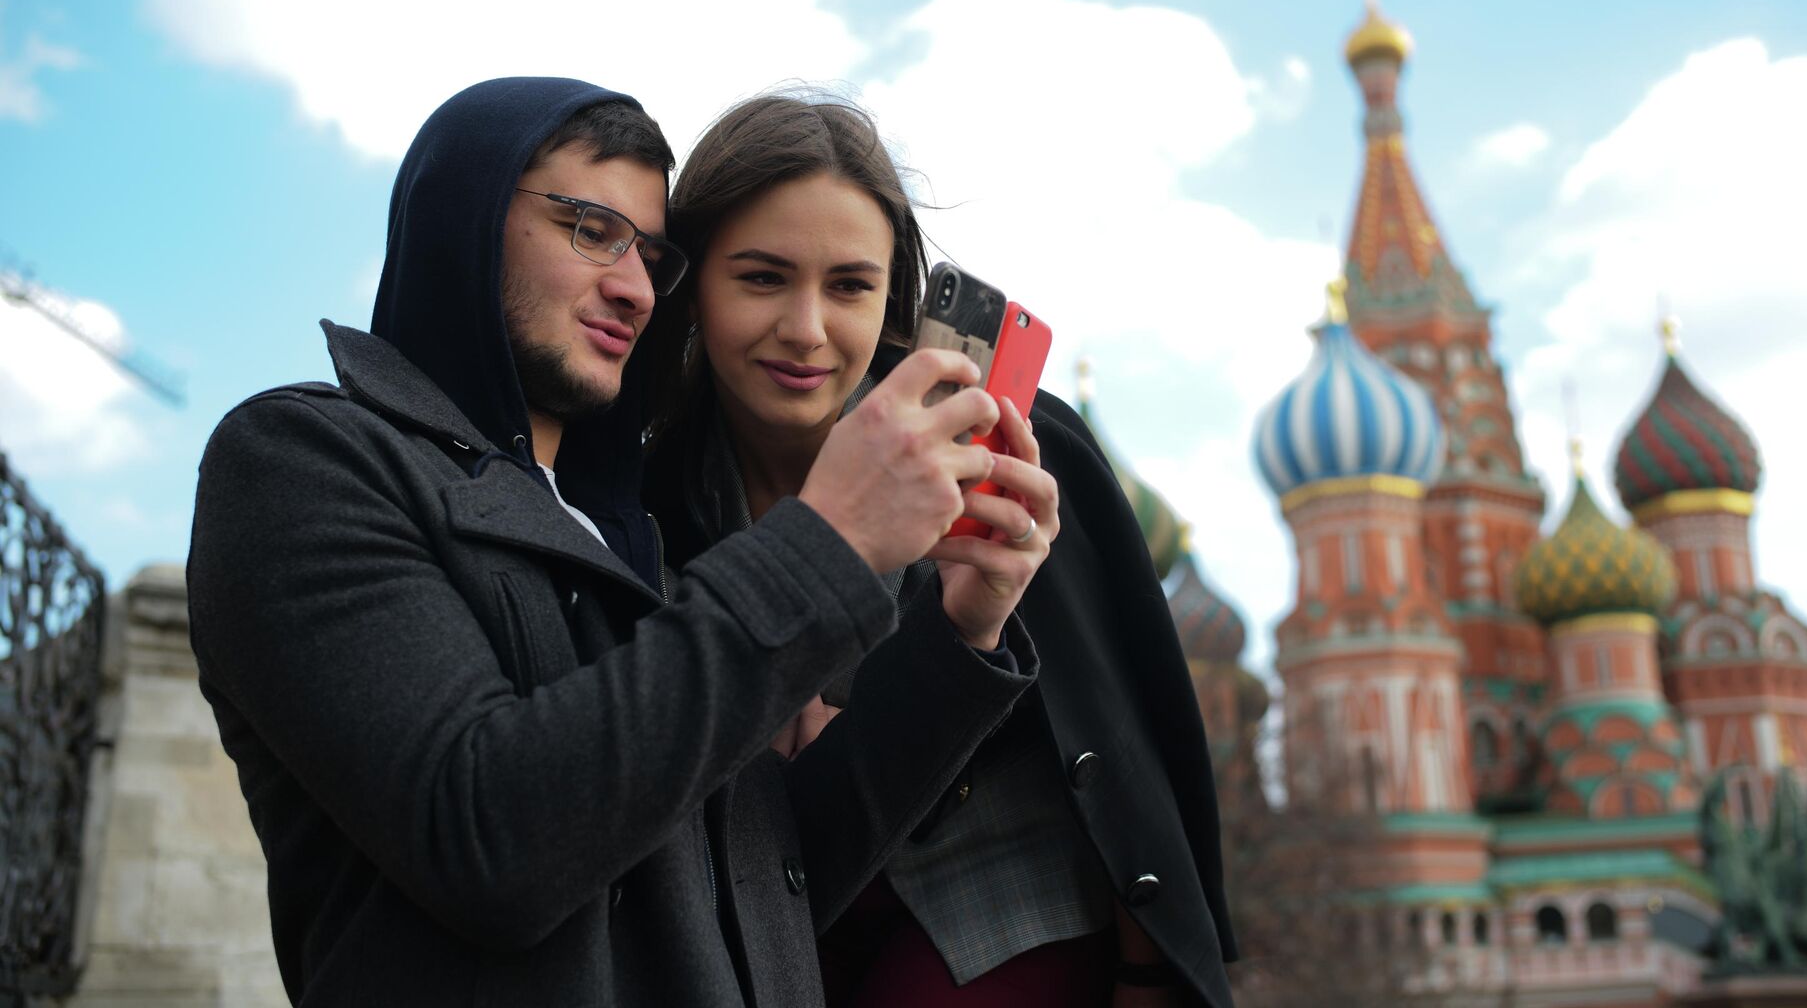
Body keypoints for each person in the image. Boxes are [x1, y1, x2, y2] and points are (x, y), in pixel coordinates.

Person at [186, 77, 1040, 1007]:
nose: (634, 287)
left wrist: (961, 634)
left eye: (654, 256)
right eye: (591, 229)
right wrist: (824, 540)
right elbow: (489, 843)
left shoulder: (644, 544)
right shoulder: (302, 461)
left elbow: (769, 892)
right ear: (463, 211)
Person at [642, 93, 1236, 1008]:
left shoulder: (1004, 443)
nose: (807, 330)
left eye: (849, 286)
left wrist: (1146, 970)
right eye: (761, 278)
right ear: (690, 285)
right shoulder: (649, 498)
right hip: (775, 915)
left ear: (892, 298)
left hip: (999, 898)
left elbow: (1121, 719)